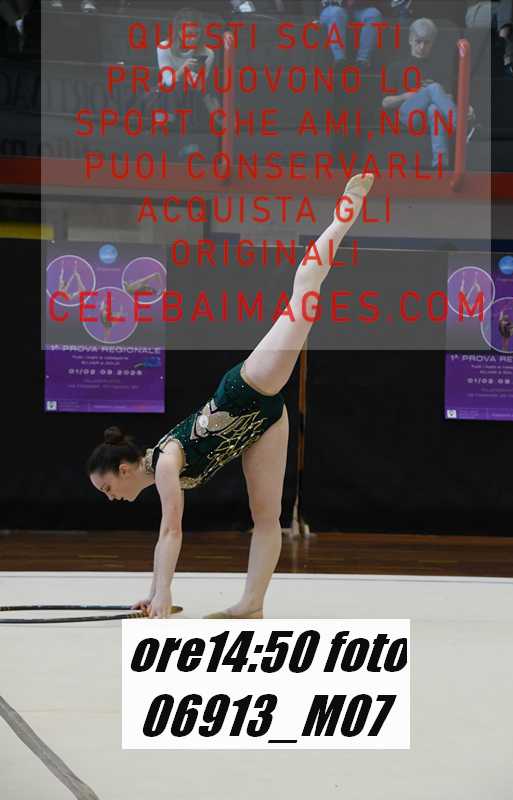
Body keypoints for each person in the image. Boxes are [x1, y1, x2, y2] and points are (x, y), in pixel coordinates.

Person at [87, 173, 375, 619]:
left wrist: (163, 594)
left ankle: (345, 212)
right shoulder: (158, 469)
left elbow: (171, 532)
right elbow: (164, 536)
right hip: (263, 424)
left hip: (248, 389)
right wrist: (155, 592)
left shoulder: (165, 464)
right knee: (266, 517)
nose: (110, 497)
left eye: (107, 487)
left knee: (304, 296)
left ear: (124, 469)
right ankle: (252, 605)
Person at [382, 18, 475, 169]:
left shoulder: (439, 68)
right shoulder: (396, 67)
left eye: (427, 43)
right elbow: (385, 102)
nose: (422, 47)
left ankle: (440, 164)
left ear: (433, 43)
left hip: (431, 114)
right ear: (410, 40)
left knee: (434, 109)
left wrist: (459, 104)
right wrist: (409, 95)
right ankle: (461, 127)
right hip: (408, 114)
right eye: (418, 41)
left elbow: (448, 97)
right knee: (434, 88)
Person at [155, 8, 220, 158]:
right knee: (179, 87)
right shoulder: (164, 47)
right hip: (166, 93)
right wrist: (183, 70)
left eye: (196, 34)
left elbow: (199, 84)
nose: (192, 38)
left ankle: (170, 120)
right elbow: (168, 80)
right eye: (188, 34)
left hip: (191, 95)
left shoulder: (207, 53)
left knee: (189, 92)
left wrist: (191, 74)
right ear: (179, 32)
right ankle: (189, 144)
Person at [465, 0, 513, 77]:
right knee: (509, 7)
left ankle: (502, 43)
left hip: (500, 10)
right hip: (479, 9)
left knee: (509, 7)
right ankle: (507, 55)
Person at [318, 0, 384, 69]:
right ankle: (340, 60)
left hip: (359, 8)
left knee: (374, 14)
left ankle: (363, 60)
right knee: (337, 12)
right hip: (331, 7)